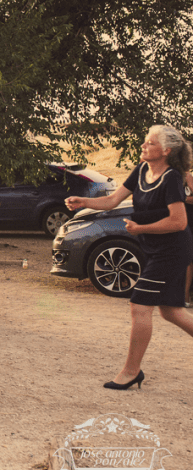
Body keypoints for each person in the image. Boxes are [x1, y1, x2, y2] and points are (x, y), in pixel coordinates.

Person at [66, 125, 193, 390]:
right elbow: (112, 200)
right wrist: (84, 202)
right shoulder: (141, 170)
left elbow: (179, 222)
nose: (143, 146)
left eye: (150, 143)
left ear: (166, 151)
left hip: (171, 251)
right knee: (171, 312)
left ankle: (131, 371)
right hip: (155, 248)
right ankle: (132, 370)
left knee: (139, 305)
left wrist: (141, 228)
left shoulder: (171, 178)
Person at [184, 171, 193, 307]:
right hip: (171, 221)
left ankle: (185, 297)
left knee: (187, 259)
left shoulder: (186, 175)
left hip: (188, 221)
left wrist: (179, 198)